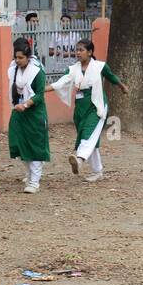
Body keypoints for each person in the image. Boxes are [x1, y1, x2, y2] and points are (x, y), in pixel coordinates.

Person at [46, 38, 128, 183]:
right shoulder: (72, 69)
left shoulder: (100, 66)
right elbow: (61, 82)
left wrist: (122, 86)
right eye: (76, 50)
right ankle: (97, 171)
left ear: (90, 52)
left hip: (96, 105)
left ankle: (79, 159)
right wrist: (44, 90)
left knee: (88, 134)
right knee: (91, 138)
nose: (78, 53)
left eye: (81, 50)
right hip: (80, 107)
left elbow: (112, 77)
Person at [8, 39, 50, 193]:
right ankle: (31, 173)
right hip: (18, 112)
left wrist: (26, 104)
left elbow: (39, 95)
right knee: (19, 144)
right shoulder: (13, 70)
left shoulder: (37, 71)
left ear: (28, 56)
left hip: (34, 114)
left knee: (35, 147)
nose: (18, 61)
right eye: (16, 57)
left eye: (21, 58)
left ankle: (34, 182)